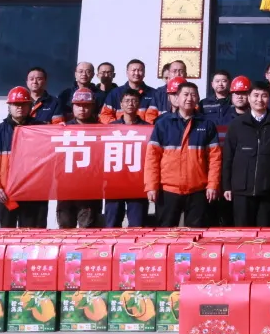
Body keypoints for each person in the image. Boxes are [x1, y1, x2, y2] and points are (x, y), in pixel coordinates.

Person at [144, 81, 221, 227]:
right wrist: (151, 186)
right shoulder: (163, 124)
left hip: (198, 190)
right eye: (185, 94)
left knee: (197, 233)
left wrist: (213, 184)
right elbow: (152, 158)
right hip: (168, 189)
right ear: (176, 98)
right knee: (166, 233)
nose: (189, 98)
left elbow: (215, 159)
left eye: (193, 95)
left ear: (198, 98)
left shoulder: (207, 124)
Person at [222, 81, 270, 227]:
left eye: (264, 95)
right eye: (256, 95)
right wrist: (227, 185)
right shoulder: (237, 124)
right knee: (242, 232)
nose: (259, 99)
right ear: (249, 97)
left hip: (268, 189)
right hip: (241, 190)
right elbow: (228, 157)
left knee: (265, 233)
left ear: (269, 98)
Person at [0, 86, 46, 228]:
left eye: (24, 104)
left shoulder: (41, 129)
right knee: (7, 232)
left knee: (32, 234)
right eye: (16, 104)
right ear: (9, 106)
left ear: (30, 106)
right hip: (7, 194)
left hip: (33, 193)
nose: (20, 107)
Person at [56, 89, 103, 229]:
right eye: (78, 105)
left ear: (93, 107)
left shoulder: (102, 130)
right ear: (72, 107)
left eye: (86, 105)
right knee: (65, 228)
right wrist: (57, 131)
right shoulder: (62, 129)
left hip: (90, 189)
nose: (82, 109)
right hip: (66, 187)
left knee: (88, 229)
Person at [103, 87, 149, 228]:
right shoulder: (110, 128)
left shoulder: (148, 128)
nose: (130, 104)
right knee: (112, 224)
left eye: (134, 101)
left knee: (137, 224)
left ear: (139, 104)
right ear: (121, 104)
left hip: (137, 182)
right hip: (114, 181)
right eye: (127, 101)